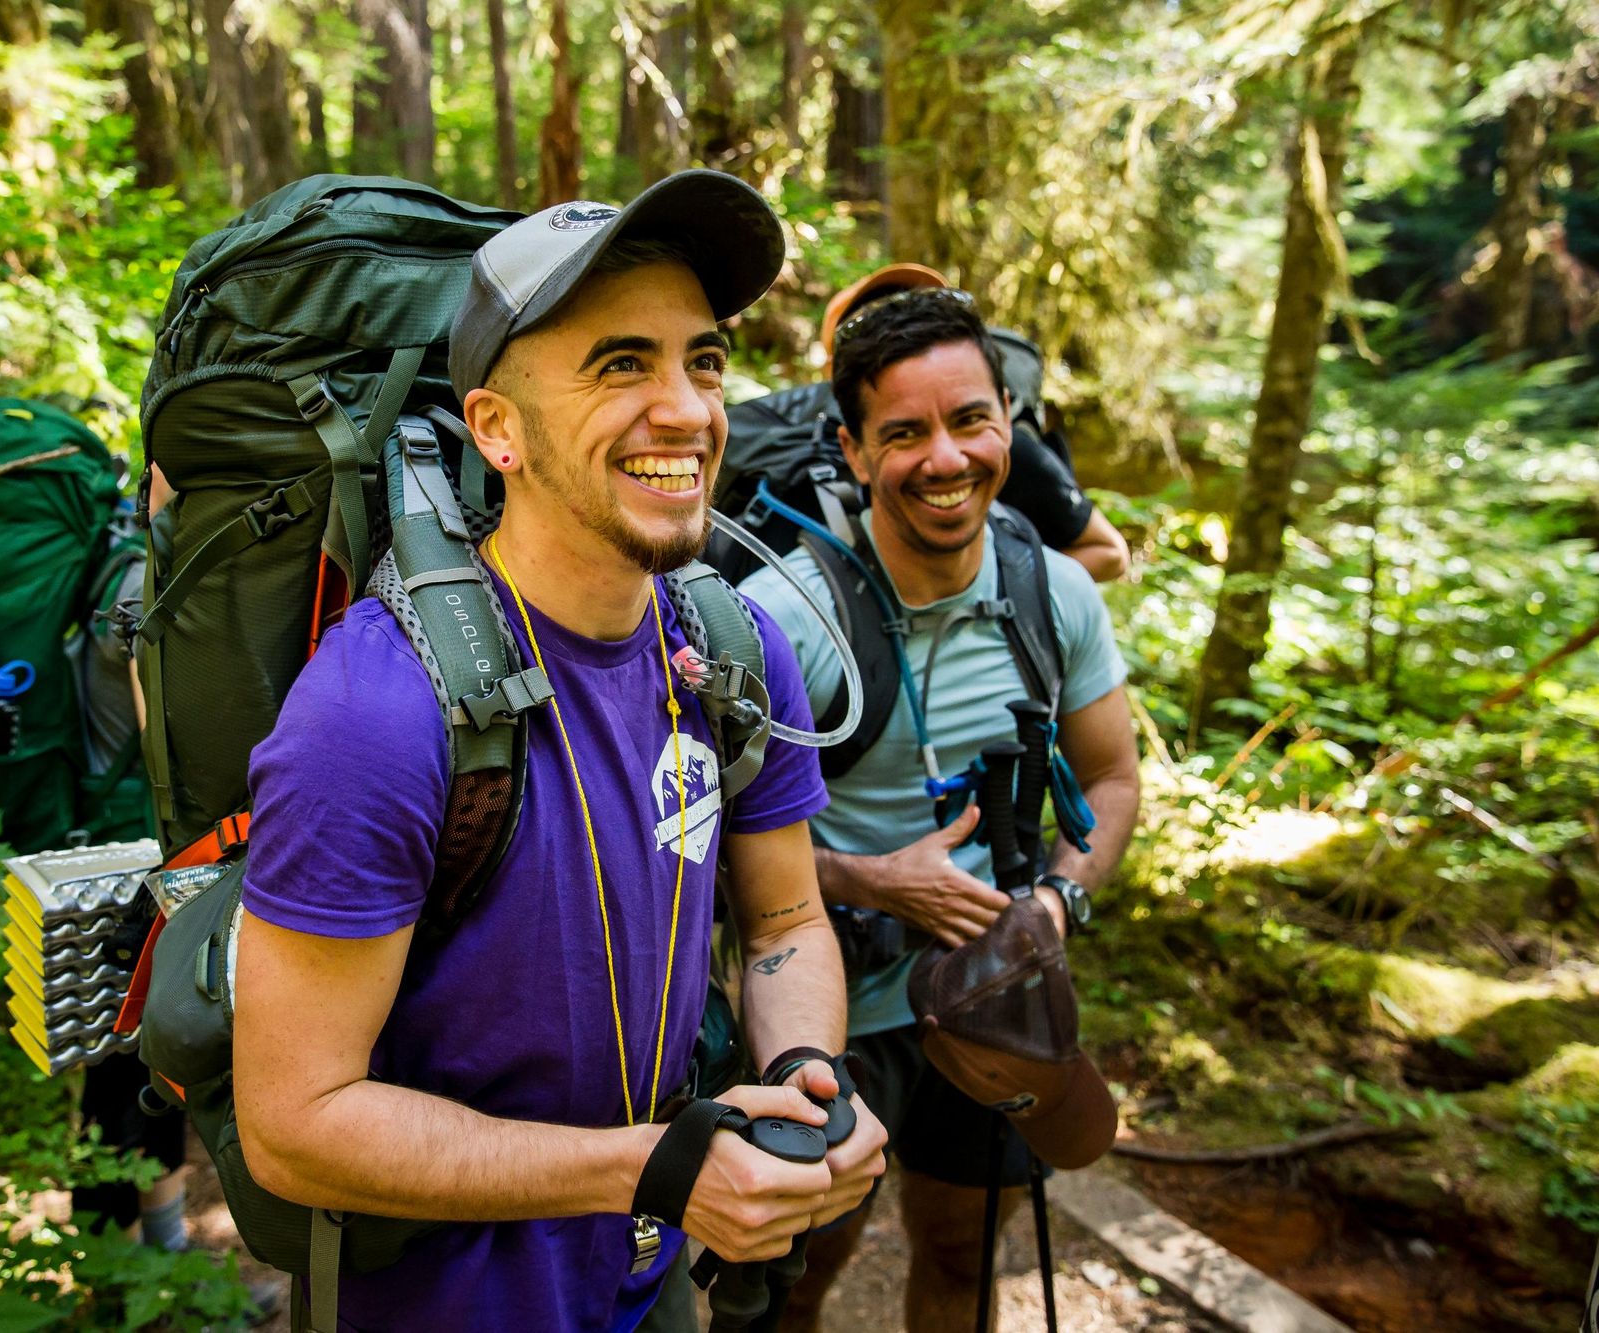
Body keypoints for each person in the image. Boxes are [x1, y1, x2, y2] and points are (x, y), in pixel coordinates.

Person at [228, 171, 888, 1331]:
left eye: (704, 359)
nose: (685, 409)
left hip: (652, 1271)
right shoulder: (376, 714)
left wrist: (795, 1082)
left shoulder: (732, 650)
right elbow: (295, 1122)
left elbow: (785, 923)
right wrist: (647, 1170)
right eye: (619, 364)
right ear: (495, 427)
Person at [740, 285, 1142, 1333]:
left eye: (969, 420)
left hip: (996, 988)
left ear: (1007, 421)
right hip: (827, 1010)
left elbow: (1111, 779)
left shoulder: (1053, 592)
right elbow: (691, 839)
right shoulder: (785, 620)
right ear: (853, 449)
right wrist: (864, 878)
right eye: (904, 432)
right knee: (794, 1275)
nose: (946, 458)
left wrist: (1057, 897)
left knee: (965, 1251)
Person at [819, 264, 1131, 585]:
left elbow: (1109, 553)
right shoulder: (806, 469)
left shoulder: (1004, 447)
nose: (903, 330)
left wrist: (1005, 595)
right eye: (864, 326)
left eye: (919, 305)